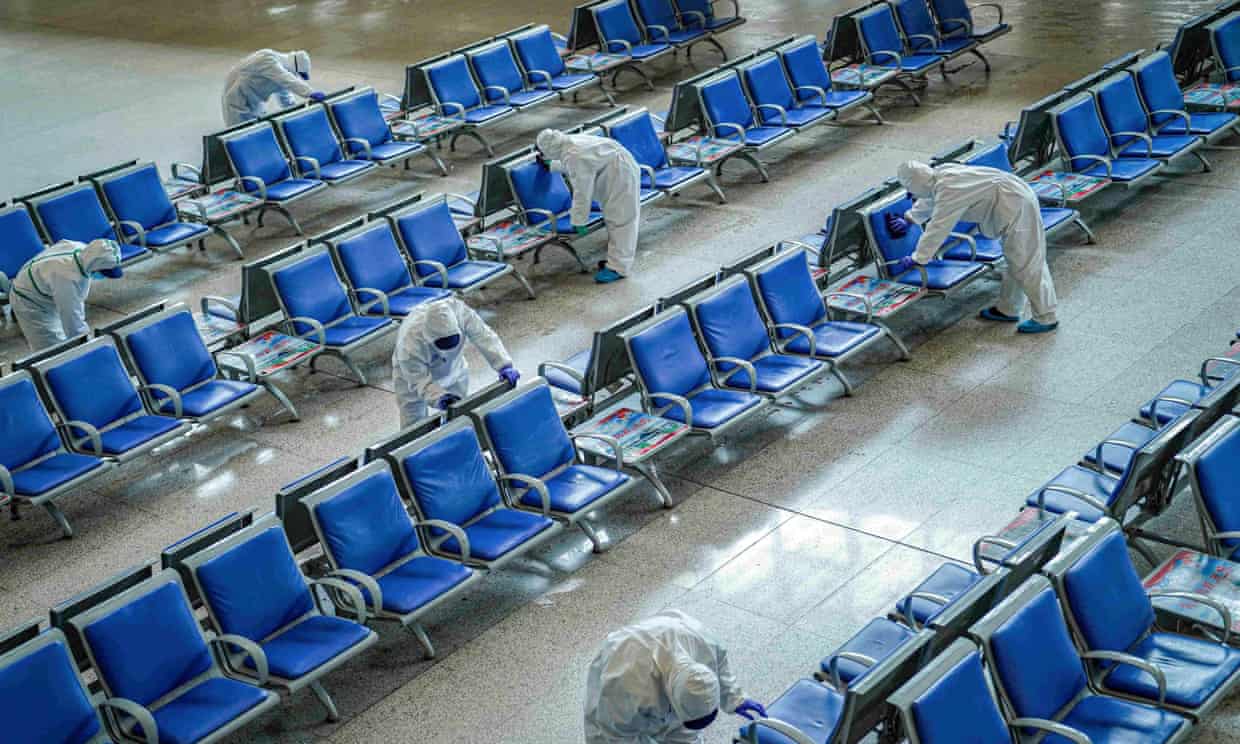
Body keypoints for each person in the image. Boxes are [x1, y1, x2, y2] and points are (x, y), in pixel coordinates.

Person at [889, 160, 1060, 334]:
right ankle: (1008, 308)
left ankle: (1046, 317)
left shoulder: (948, 189)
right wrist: (910, 218)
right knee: (1016, 260)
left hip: (1016, 205)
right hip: (1014, 197)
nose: (911, 195)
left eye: (911, 191)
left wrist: (918, 257)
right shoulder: (940, 174)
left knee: (1027, 262)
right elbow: (932, 196)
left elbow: (939, 226)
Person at [584, 610, 766, 743]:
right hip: (624, 662)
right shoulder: (626, 683)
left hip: (671, 639)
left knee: (684, 737)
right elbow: (616, 734)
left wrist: (735, 697)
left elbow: (720, 669)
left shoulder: (705, 645)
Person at [391, 297, 519, 429]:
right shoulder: (409, 344)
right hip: (410, 377)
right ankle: (415, 448)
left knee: (460, 412)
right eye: (442, 345)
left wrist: (504, 365)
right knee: (414, 422)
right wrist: (438, 397)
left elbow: (484, 336)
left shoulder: (461, 313)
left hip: (454, 368)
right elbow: (420, 381)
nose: (447, 350)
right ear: (429, 338)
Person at [535, 129, 642, 284]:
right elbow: (584, 163)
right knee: (619, 219)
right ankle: (616, 262)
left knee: (621, 222)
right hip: (620, 167)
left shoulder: (573, 155)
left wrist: (579, 220)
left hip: (619, 177)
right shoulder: (569, 141)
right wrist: (553, 166)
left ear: (550, 150)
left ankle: (618, 268)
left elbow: (582, 192)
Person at [9, 239, 123, 352]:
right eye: (102, 272)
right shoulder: (67, 277)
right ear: (95, 267)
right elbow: (72, 319)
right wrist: (88, 346)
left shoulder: (84, 250)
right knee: (52, 349)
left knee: (63, 339)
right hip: (28, 301)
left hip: (43, 287)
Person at [221, 49, 325, 126]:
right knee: (239, 132)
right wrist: (310, 93)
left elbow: (286, 98)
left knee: (255, 129)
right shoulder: (267, 59)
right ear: (293, 68)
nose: (297, 77)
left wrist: (296, 115)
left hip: (254, 101)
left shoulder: (282, 72)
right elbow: (287, 80)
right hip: (236, 98)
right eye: (298, 74)